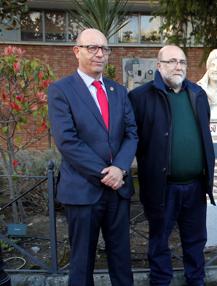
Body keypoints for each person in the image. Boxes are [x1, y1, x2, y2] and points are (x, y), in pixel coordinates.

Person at [48, 28, 137, 286]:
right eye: (92, 48)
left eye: (104, 49)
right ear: (77, 51)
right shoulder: (61, 90)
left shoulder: (118, 91)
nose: (100, 54)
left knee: (121, 261)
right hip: (82, 191)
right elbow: (67, 140)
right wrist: (105, 173)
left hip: (118, 191)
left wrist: (119, 168)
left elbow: (132, 134)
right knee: (82, 263)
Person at [128, 45, 216, 286]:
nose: (178, 66)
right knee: (159, 240)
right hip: (161, 187)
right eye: (172, 61)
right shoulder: (140, 97)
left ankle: (196, 280)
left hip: (196, 186)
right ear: (159, 65)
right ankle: (160, 281)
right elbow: (131, 140)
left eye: (183, 62)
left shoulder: (198, 94)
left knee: (196, 240)